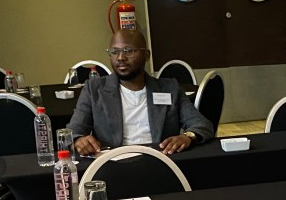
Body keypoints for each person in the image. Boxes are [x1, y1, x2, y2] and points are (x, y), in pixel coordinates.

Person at [69, 28, 214, 156]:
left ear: (146, 55)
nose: (120, 58)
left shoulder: (169, 88)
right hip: (112, 163)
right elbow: (73, 131)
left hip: (160, 160)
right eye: (114, 52)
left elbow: (202, 125)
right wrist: (79, 140)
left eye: (128, 51)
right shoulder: (94, 90)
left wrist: (187, 137)